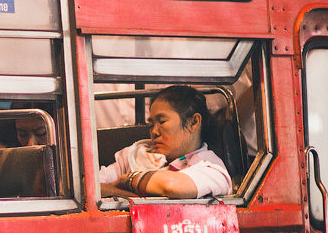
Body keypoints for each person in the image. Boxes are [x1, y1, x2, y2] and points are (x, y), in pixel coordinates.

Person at [99, 85, 231, 199]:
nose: (154, 132)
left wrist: (127, 180)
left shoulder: (211, 168)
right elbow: (91, 187)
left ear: (193, 122)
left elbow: (171, 186)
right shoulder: (136, 154)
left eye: (162, 121)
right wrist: (129, 193)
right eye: (151, 125)